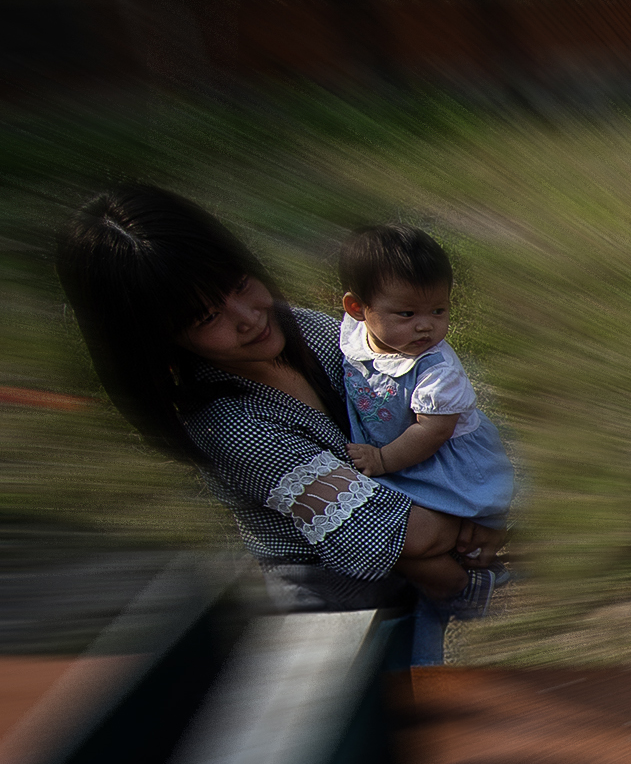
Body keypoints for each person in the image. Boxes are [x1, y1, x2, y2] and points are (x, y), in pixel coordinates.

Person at [53, 186, 489, 665]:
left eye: (239, 284)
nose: (248, 318)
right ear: (158, 339)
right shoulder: (232, 427)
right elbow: (404, 535)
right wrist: (475, 515)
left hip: (418, 575)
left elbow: (440, 412)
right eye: (206, 316)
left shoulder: (313, 331)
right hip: (339, 623)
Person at [337, 224, 515, 616]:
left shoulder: (437, 369)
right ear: (357, 309)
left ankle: (474, 577)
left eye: (439, 310)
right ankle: (463, 575)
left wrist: (382, 461)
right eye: (407, 313)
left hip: (439, 457)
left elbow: (433, 431)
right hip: (403, 450)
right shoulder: (351, 336)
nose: (425, 325)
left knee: (447, 527)